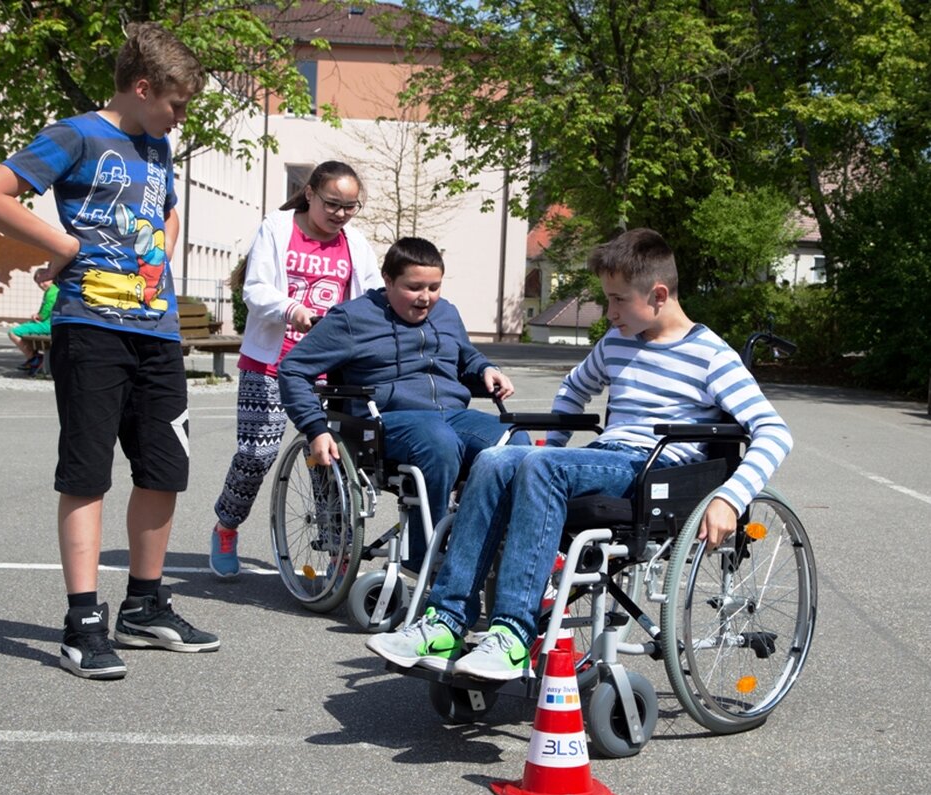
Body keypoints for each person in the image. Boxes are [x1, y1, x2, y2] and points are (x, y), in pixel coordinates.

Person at [366, 228, 794, 680]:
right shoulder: (617, 343)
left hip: (656, 469)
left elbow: (773, 432)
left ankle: (511, 635)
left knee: (539, 466)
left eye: (618, 300)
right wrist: (548, 452)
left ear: (658, 295)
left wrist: (729, 498)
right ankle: (445, 622)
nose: (609, 313)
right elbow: (574, 389)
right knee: (494, 459)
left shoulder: (711, 356)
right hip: (609, 456)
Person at [0, 22, 219, 680]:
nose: (181, 118)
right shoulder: (75, 135)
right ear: (144, 88)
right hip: (93, 328)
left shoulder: (157, 147)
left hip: (157, 331)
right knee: (87, 473)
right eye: (176, 104)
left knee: (164, 468)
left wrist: (157, 255)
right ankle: (82, 624)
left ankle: (143, 606)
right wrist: (64, 247)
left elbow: (166, 213)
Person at [278, 236, 528, 574]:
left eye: (434, 287)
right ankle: (423, 555)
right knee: (439, 442)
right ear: (388, 280)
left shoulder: (447, 313)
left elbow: (465, 357)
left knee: (514, 440)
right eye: (414, 287)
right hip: (386, 420)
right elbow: (293, 369)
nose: (426, 298)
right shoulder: (352, 319)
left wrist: (485, 368)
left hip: (452, 415)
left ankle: (484, 546)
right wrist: (315, 428)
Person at [208, 161, 384, 579]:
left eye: (350, 207)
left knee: (329, 457)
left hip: (328, 371)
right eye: (332, 203)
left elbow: (373, 292)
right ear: (310, 194)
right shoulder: (277, 228)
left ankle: (337, 550)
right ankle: (226, 526)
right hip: (271, 362)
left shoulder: (355, 243)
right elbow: (255, 289)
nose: (340, 214)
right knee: (256, 454)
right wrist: (292, 310)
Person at [8, 269, 57, 375]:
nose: (41, 284)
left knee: (13, 332)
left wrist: (39, 316)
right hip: (51, 323)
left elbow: (48, 308)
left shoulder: (52, 291)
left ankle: (34, 359)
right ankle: (34, 358)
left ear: (52, 278)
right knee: (26, 327)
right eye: (38, 282)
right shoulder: (53, 290)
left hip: (48, 325)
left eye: (44, 281)